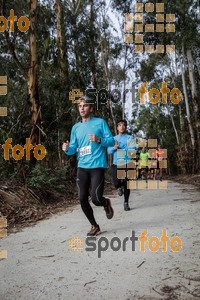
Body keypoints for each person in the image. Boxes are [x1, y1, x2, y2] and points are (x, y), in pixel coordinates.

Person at [62, 97, 115, 236]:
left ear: (91, 108)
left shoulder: (100, 123)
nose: (82, 108)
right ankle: (94, 225)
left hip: (97, 166)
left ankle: (105, 203)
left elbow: (111, 141)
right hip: (82, 167)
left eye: (85, 106)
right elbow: (73, 148)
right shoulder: (76, 127)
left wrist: (99, 140)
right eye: (80, 106)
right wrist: (66, 148)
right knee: (82, 198)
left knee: (96, 199)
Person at [108, 120, 136, 211]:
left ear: (126, 127)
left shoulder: (130, 138)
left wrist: (121, 148)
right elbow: (109, 151)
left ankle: (126, 202)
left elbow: (133, 150)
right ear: (117, 127)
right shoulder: (113, 138)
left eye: (123, 125)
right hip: (116, 163)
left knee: (126, 183)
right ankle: (118, 188)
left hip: (127, 162)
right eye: (120, 125)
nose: (122, 127)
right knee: (116, 182)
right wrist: (114, 147)